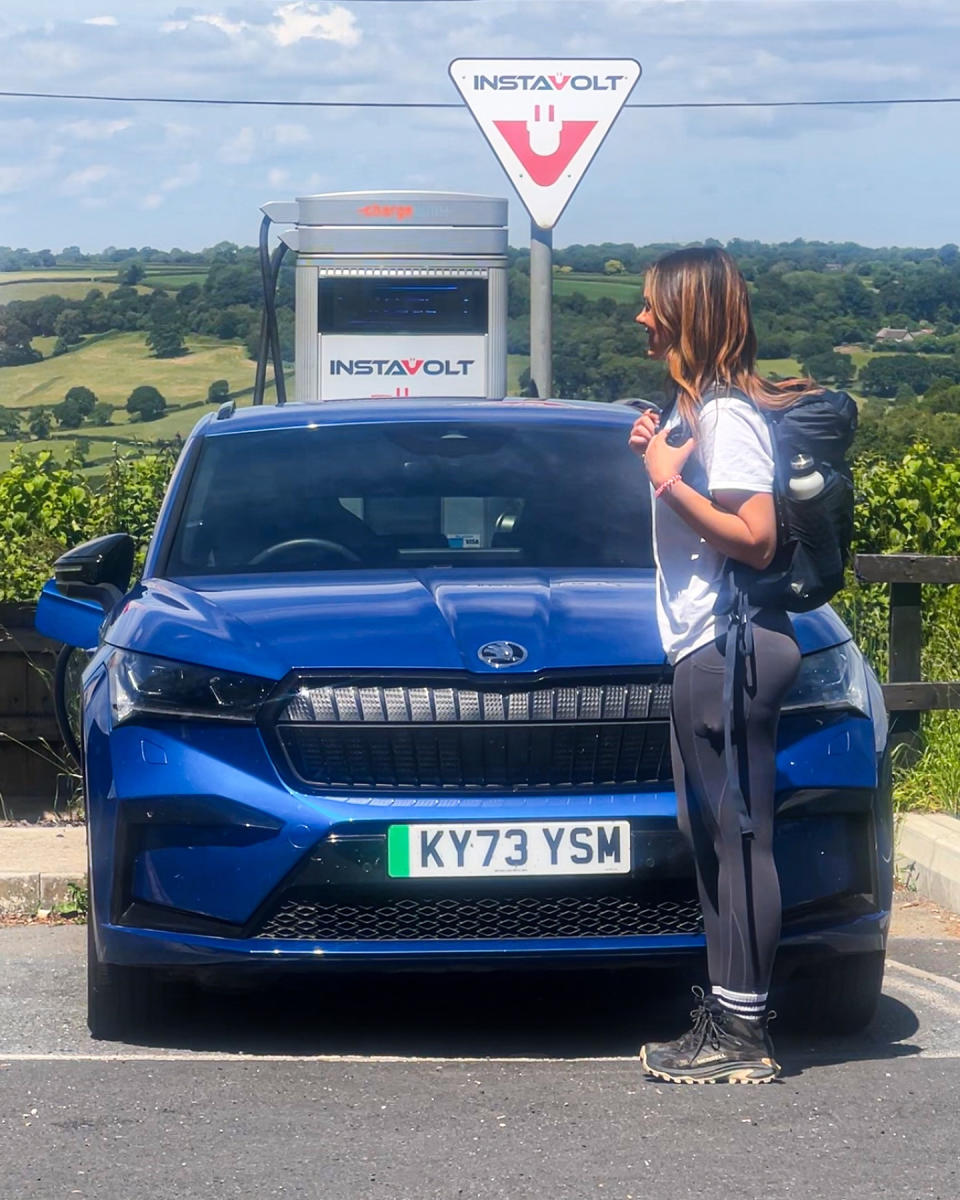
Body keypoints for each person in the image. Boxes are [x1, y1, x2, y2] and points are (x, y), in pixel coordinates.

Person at [627, 246, 804, 1084]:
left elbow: (758, 536)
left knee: (739, 841)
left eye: (652, 305)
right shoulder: (700, 415)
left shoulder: (729, 417)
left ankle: (742, 1034)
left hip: (729, 647)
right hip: (709, 648)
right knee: (716, 839)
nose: (640, 318)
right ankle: (731, 1017)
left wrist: (668, 483)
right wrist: (662, 455)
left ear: (687, 313)